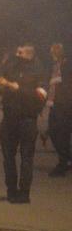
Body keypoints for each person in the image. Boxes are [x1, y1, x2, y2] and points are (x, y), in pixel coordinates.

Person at [0, 44, 46, 204]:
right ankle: (11, 191)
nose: (17, 55)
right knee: (8, 157)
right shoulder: (11, 65)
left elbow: (40, 96)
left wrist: (19, 88)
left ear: (29, 54)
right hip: (10, 118)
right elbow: (2, 86)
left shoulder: (38, 70)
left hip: (27, 120)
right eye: (16, 51)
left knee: (26, 158)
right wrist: (2, 85)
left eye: (21, 53)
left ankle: (24, 193)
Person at [46, 43, 71, 177]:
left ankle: (63, 163)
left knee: (62, 134)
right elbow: (52, 85)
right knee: (55, 132)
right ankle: (66, 159)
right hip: (55, 104)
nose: (52, 54)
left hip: (64, 105)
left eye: (54, 51)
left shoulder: (66, 66)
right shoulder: (55, 66)